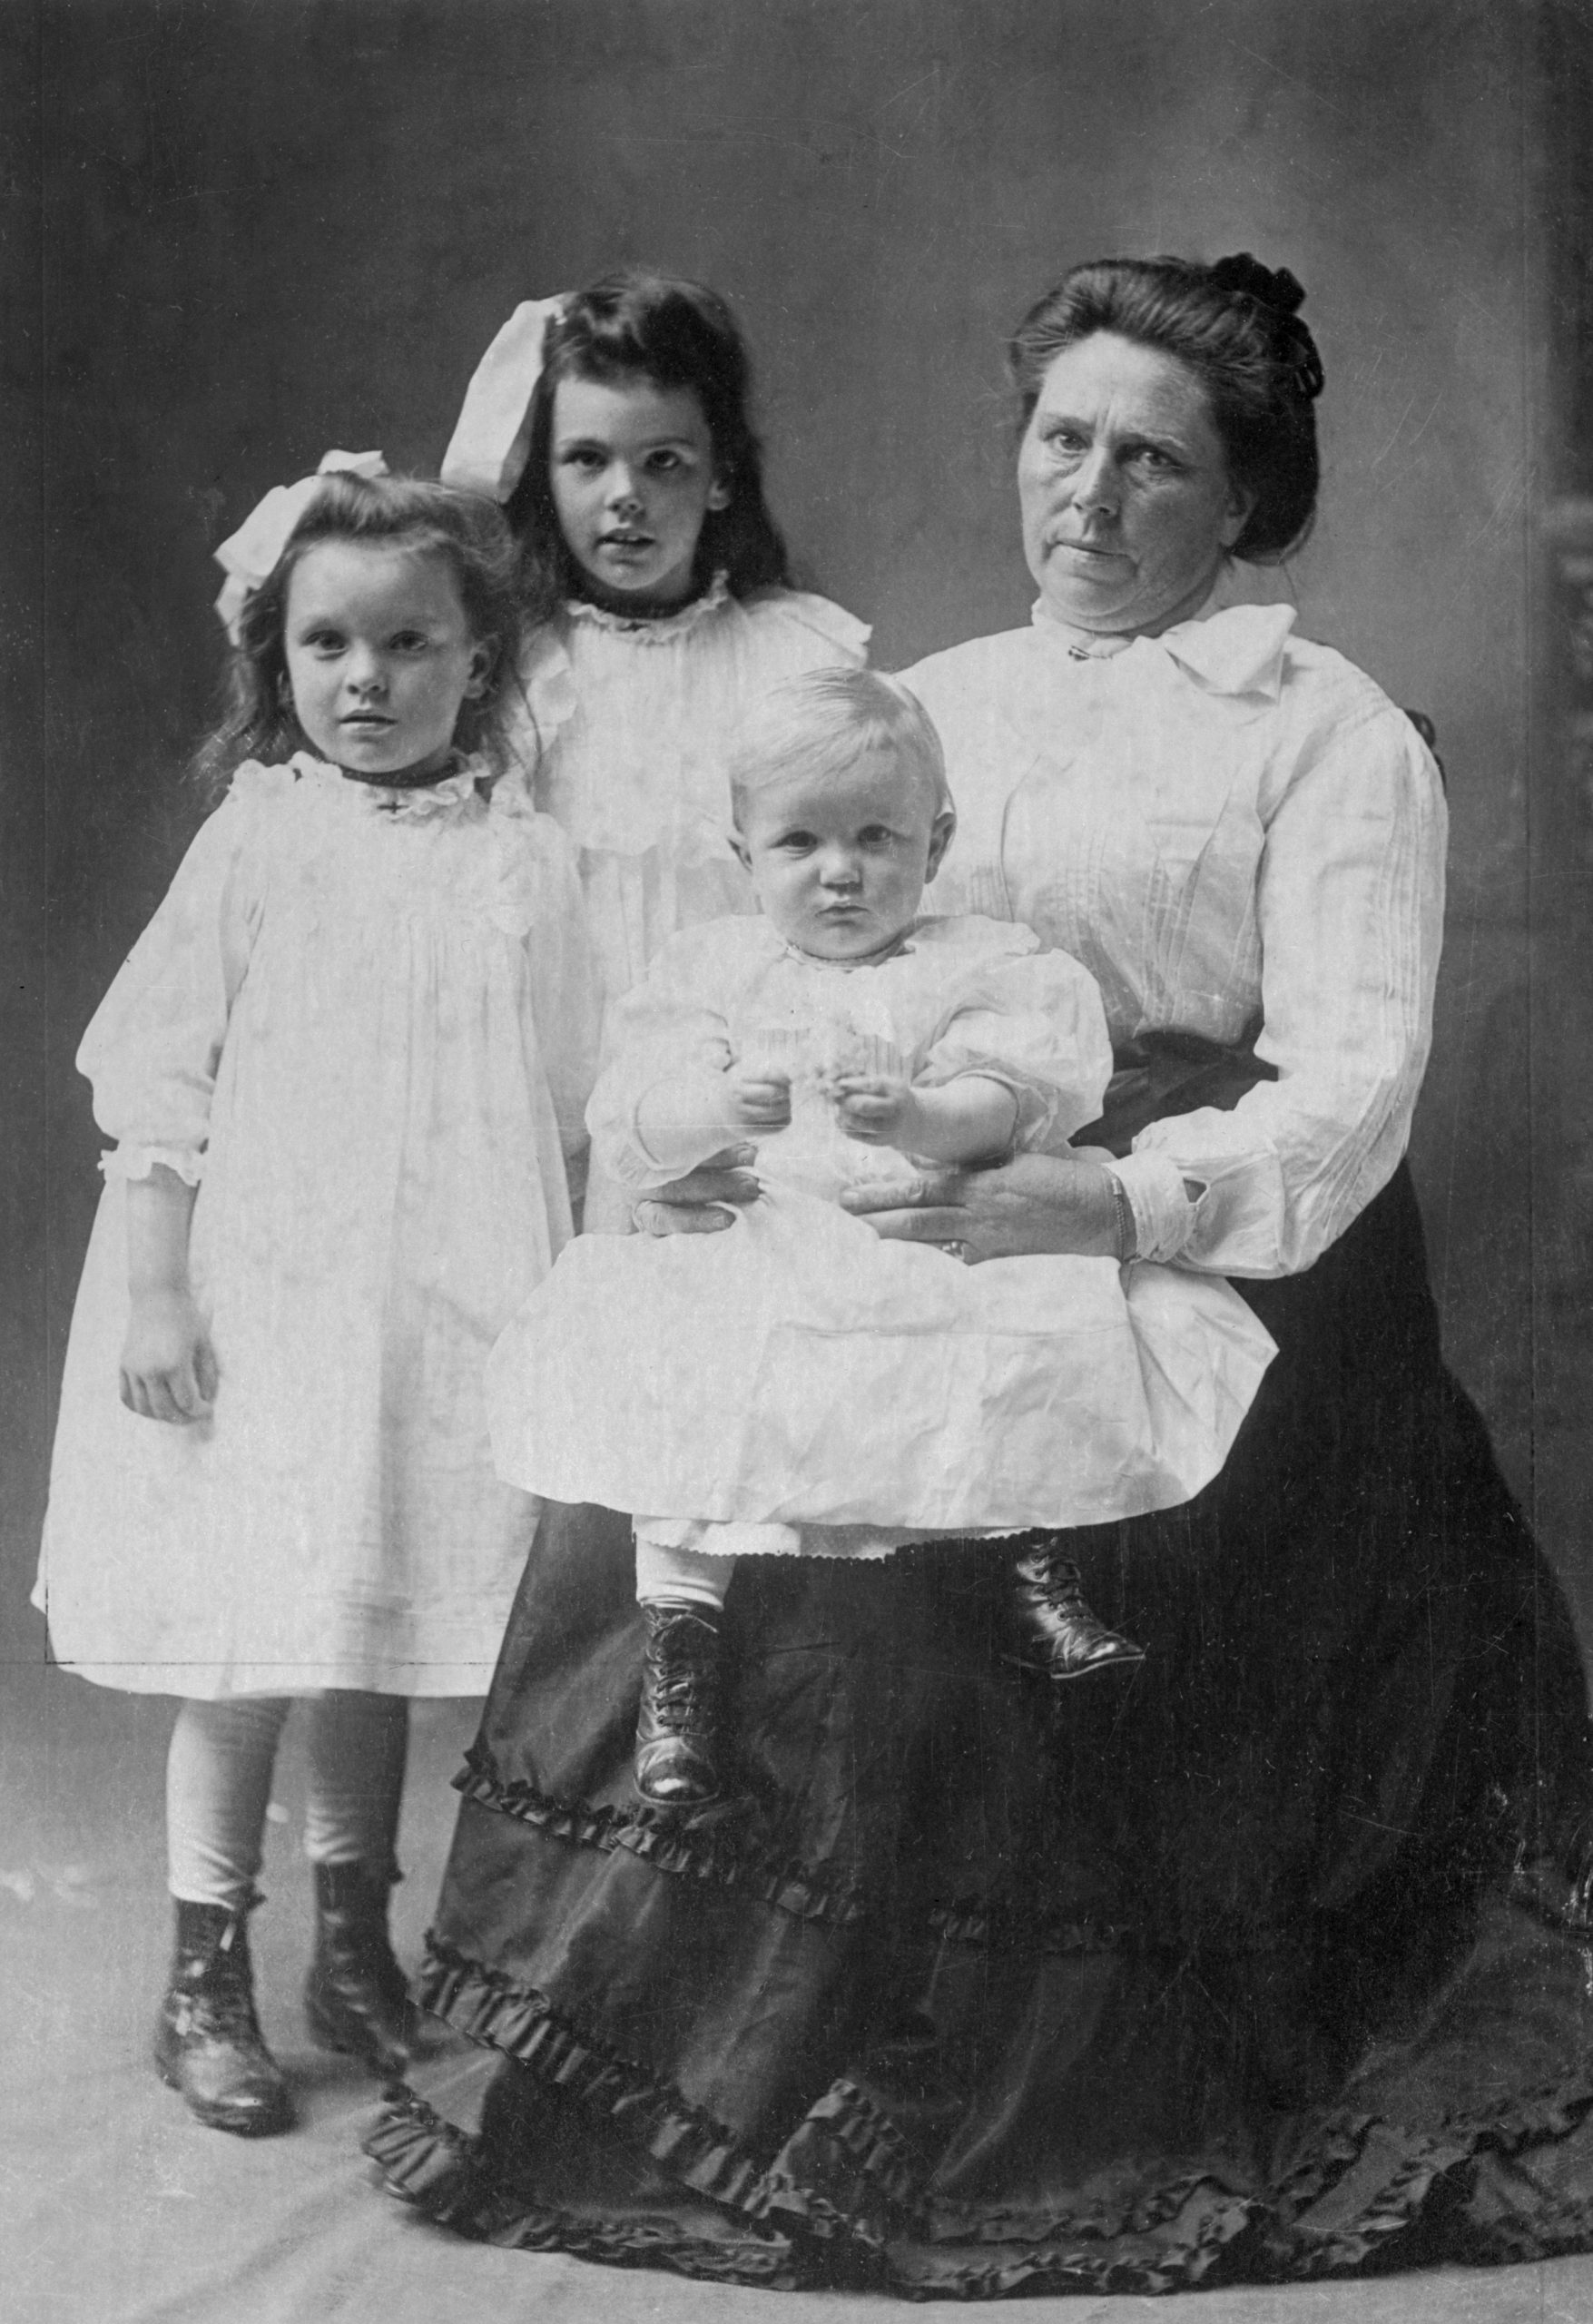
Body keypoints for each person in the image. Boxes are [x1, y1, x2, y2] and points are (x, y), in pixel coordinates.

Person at [368, 258, 1593, 2290]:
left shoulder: (1327, 728)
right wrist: (683, 1148)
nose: (1089, 495)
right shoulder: (917, 695)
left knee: (1061, 1583)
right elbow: (750, 960)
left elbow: (1357, 1070)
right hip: (896, 1218)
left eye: (1148, 460)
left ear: (1240, 501)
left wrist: (1113, 1205)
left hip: (1222, 1246)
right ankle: (738, 2044)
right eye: (1060, 442)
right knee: (742, 1481)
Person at [36, 458, 598, 2139]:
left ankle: (356, 1944)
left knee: (375, 1622)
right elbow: (160, 1077)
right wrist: (155, 1296)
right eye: (326, 647)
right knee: (249, 1639)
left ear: (479, 662)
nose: (365, 681)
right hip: (263, 1302)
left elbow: (568, 1088)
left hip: (446, 1302)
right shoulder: (260, 837)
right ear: (277, 665)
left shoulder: (527, 863)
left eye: (407, 645)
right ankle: (204, 1968)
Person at [489, 666, 1275, 1805]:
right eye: (800, 843)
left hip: (922, 1224)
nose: (842, 871)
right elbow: (636, 1127)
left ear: (937, 838)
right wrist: (715, 1109)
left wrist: (919, 1115)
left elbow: (1014, 1101)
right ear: (743, 849)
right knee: (685, 1386)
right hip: (757, 1236)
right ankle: (680, 1645)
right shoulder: (712, 968)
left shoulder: (981, 961)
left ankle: (1030, 1560)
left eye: (876, 837)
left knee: (1018, 1322)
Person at [439, 270, 870, 1009]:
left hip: (740, 1058)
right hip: (546, 1045)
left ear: (720, 477)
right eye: (587, 460)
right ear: (545, 474)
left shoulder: (795, 661)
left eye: (661, 461)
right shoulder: (504, 666)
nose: (623, 496)